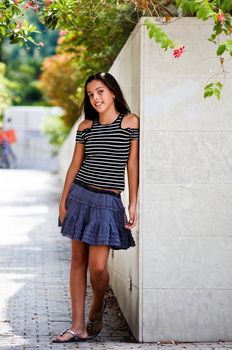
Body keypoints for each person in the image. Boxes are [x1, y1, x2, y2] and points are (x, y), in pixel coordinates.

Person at [52, 72, 139, 343]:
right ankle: (77, 326)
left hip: (108, 202)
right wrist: (63, 200)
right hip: (80, 197)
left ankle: (98, 302)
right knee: (78, 262)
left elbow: (132, 165)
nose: (96, 98)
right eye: (91, 94)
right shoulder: (85, 127)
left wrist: (134, 202)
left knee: (98, 267)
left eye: (100, 91)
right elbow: (74, 165)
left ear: (113, 92)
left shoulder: (130, 122)